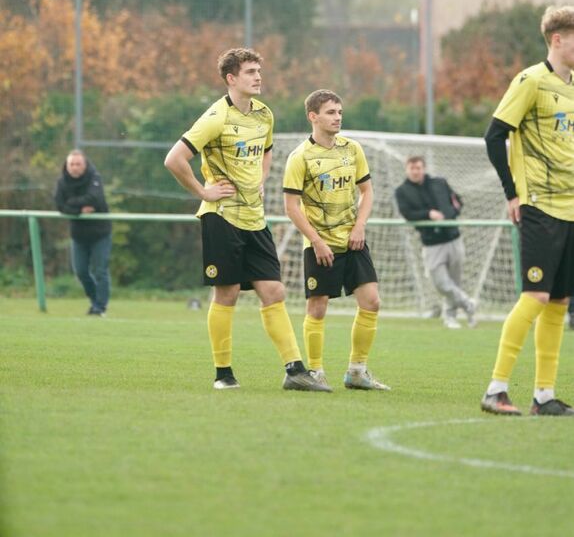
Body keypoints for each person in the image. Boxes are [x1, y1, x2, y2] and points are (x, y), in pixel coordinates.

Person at [164, 47, 329, 393]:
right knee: (227, 294)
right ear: (231, 79)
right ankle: (223, 373)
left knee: (275, 290)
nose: (258, 77)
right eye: (250, 72)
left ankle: (294, 370)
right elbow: (174, 159)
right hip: (221, 217)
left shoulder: (264, 114)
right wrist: (203, 191)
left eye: (259, 71)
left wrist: (262, 178)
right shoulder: (215, 117)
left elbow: (266, 152)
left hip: (255, 218)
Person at [481, 5, 574, 417]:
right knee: (535, 295)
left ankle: (543, 396)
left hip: (571, 210)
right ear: (558, 39)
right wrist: (512, 193)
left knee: (558, 302)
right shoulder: (531, 80)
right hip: (538, 204)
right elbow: (494, 135)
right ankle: (495, 389)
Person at [282, 89, 389, 392]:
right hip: (320, 244)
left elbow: (367, 192)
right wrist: (316, 241)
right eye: (331, 112)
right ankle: (315, 371)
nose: (338, 117)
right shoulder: (299, 157)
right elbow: (291, 207)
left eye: (340, 112)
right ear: (313, 116)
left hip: (353, 240)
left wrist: (360, 226)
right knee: (317, 308)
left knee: (371, 301)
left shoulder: (352, 149)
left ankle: (357, 371)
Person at [395, 156, 476, 329]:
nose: (416, 171)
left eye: (418, 168)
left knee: (454, 281)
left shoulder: (440, 183)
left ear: (424, 168)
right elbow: (407, 214)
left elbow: (458, 202)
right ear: (407, 170)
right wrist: (428, 214)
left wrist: (449, 215)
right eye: (412, 168)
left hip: (453, 238)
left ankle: (451, 317)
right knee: (441, 283)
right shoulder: (402, 191)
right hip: (431, 243)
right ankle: (468, 303)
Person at [55, 149, 112, 317]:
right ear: (67, 165)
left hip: (100, 233)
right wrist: (79, 208)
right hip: (78, 235)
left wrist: (71, 205)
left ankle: (100, 307)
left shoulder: (95, 178)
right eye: (71, 164)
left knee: (100, 271)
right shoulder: (62, 182)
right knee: (80, 272)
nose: (74, 167)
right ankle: (95, 302)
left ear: (85, 165)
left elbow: (95, 198)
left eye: (78, 164)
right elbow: (60, 205)